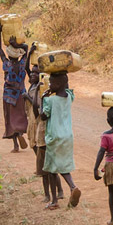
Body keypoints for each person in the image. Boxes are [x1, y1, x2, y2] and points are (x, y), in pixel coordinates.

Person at [24, 47, 64, 202]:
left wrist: (29, 97)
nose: (32, 74)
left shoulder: (43, 93)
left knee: (48, 169)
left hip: (44, 134)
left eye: (36, 73)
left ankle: (54, 194)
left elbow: (39, 111)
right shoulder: (36, 87)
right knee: (45, 168)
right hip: (38, 132)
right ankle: (52, 193)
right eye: (32, 73)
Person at [40, 72, 81, 210]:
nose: (49, 85)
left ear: (58, 84)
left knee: (52, 169)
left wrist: (42, 98)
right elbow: (67, 88)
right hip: (67, 136)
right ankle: (70, 189)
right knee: (61, 164)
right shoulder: (69, 97)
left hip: (54, 137)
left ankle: (56, 199)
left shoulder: (50, 100)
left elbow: (43, 116)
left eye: (51, 83)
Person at [0, 21, 29, 152]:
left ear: (9, 54)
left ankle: (15, 145)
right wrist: (18, 44)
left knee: (10, 118)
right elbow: (27, 49)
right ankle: (20, 133)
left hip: (9, 95)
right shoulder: (23, 63)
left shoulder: (7, 64)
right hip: (21, 93)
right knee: (20, 116)